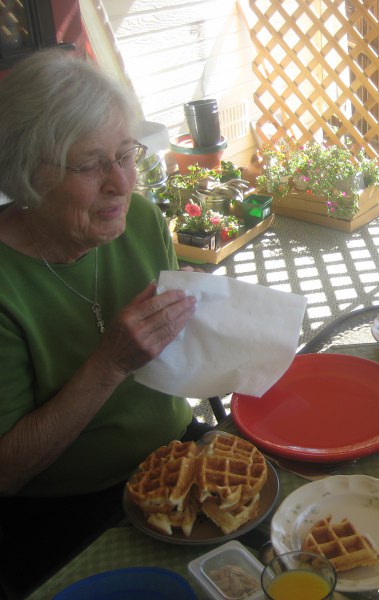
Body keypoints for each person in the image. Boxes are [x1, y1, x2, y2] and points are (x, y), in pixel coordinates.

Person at [0, 49, 208, 598]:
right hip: (71, 512)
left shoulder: (139, 219)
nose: (120, 182)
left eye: (125, 154)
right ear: (26, 172)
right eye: (91, 164)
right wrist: (109, 363)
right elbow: (5, 472)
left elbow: (174, 349)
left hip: (179, 457)